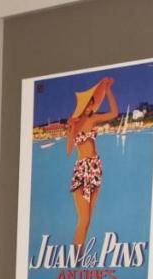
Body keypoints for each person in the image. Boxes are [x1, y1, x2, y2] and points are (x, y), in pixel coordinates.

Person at [66, 76, 119, 247]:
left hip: (95, 167)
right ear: (82, 107)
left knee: (88, 221)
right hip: (82, 170)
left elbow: (114, 113)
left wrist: (108, 90)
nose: (91, 106)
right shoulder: (75, 123)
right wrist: (71, 128)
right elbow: (69, 150)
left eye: (92, 103)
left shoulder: (93, 119)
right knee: (84, 219)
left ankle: (78, 257)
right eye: (88, 104)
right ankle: (75, 257)